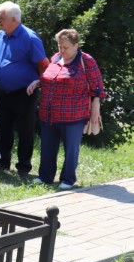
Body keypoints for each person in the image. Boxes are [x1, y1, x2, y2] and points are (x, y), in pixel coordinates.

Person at [27, 29, 105, 190]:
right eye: (60, 46)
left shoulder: (86, 60)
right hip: (49, 113)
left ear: (76, 45)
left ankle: (68, 179)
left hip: (73, 115)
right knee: (47, 147)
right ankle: (45, 176)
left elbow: (97, 88)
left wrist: (95, 109)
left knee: (71, 149)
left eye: (66, 47)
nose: (62, 50)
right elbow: (50, 78)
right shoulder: (56, 57)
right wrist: (38, 82)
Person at [0, 1, 49, 176]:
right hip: (3, 92)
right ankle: (2, 162)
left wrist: (38, 82)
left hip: (25, 92)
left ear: (14, 20)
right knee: (3, 128)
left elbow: (44, 65)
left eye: (1, 18)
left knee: (25, 130)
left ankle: (24, 166)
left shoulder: (30, 37)